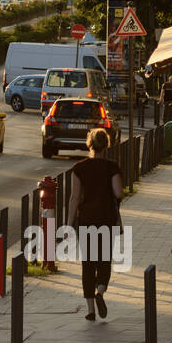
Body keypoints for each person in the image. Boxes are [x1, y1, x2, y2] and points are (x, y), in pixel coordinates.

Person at [68, 128, 124, 322]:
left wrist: (69, 224)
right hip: (106, 219)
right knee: (104, 260)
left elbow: (75, 197)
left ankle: (90, 310)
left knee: (88, 264)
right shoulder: (112, 167)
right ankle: (100, 291)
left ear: (89, 145)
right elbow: (118, 193)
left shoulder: (79, 168)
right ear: (106, 146)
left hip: (86, 220)